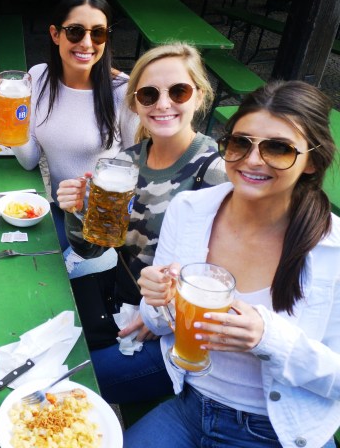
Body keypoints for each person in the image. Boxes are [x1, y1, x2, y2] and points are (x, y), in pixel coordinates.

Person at [127, 80, 339, 448]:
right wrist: (157, 299)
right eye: (240, 143)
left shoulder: (332, 250)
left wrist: (269, 338)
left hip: (271, 429)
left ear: (312, 162)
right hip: (190, 403)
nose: (253, 160)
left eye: (278, 148)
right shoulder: (190, 210)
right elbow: (156, 321)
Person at [56, 43, 226, 403]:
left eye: (178, 91)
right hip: (118, 300)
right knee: (45, 334)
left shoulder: (215, 174)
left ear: (199, 96)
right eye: (149, 94)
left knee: (72, 385)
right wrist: (77, 211)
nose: (163, 104)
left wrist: (159, 317)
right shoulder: (125, 162)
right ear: (135, 103)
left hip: (172, 336)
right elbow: (93, 248)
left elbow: (221, 278)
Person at [0, 0, 138, 251]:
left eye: (98, 33)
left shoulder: (121, 90)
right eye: (76, 31)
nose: (87, 43)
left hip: (103, 228)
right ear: (56, 34)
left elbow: (137, 167)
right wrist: (9, 119)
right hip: (60, 214)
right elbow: (29, 160)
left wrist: (90, 198)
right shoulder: (39, 76)